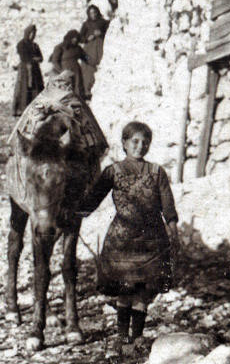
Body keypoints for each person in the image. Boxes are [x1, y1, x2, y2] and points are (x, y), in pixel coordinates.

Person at [79, 121, 179, 352]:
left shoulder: (157, 172)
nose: (140, 146)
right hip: (121, 242)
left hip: (152, 241)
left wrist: (173, 230)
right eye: (135, 141)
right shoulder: (112, 172)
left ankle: (137, 338)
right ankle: (122, 338)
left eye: (145, 142)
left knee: (142, 293)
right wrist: (71, 214)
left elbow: (168, 205)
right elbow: (91, 201)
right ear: (124, 143)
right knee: (124, 292)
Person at [49, 30, 93, 99]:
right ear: (69, 38)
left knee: (78, 87)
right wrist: (62, 72)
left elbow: (85, 56)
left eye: (76, 38)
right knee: (66, 89)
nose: (75, 40)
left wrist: (93, 61)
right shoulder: (60, 47)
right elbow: (55, 61)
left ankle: (79, 101)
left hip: (76, 71)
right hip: (65, 72)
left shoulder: (78, 48)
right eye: (73, 38)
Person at [12, 24, 44, 117]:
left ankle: (35, 108)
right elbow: (24, 57)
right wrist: (34, 58)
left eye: (34, 33)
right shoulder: (21, 44)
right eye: (31, 33)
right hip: (25, 70)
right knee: (23, 89)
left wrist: (33, 59)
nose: (33, 35)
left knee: (36, 88)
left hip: (35, 70)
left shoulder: (35, 45)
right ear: (27, 33)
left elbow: (41, 58)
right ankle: (21, 109)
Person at [79, 5, 109, 99]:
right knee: (88, 68)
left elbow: (110, 34)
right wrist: (88, 38)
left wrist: (101, 34)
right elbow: (80, 38)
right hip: (89, 48)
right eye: (91, 13)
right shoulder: (86, 24)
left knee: (100, 66)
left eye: (95, 12)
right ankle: (87, 91)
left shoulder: (104, 22)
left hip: (100, 47)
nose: (93, 15)